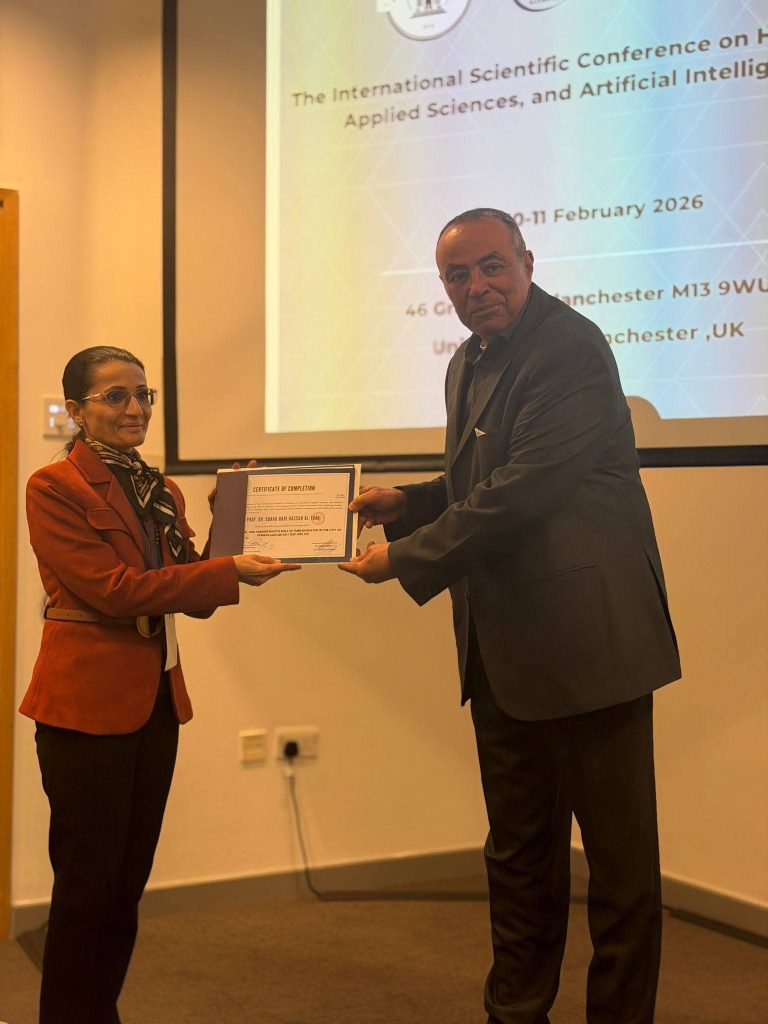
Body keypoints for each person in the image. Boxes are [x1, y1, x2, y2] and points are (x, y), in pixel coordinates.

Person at [339, 209, 681, 1023]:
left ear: (528, 261)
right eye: (457, 276)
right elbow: (480, 480)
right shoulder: (468, 359)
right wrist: (409, 502)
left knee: (620, 871)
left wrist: (406, 557)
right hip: (501, 655)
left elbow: (527, 491)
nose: (477, 287)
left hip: (593, 651)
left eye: (492, 266)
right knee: (518, 860)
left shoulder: (570, 348)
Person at [20, 345, 300, 1024]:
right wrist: (227, 570)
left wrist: (230, 515)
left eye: (143, 394)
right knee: (86, 889)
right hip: (83, 709)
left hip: (155, 705)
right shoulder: (53, 486)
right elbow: (116, 593)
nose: (136, 408)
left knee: (126, 886)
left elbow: (194, 594)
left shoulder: (159, 491)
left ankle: (99, 1011)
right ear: (77, 410)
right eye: (115, 396)